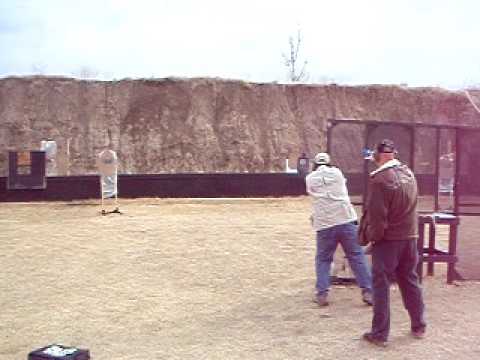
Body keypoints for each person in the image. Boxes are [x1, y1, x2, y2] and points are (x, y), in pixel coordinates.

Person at [359, 139, 426, 347]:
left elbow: (377, 218)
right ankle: (419, 324)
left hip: (389, 241)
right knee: (409, 279)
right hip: (410, 237)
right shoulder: (409, 174)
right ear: (393, 154)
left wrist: (372, 239)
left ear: (378, 157)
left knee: (381, 285)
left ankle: (380, 333)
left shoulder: (379, 180)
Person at [306, 152, 372, 307]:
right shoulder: (337, 173)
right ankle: (368, 291)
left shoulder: (310, 178)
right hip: (345, 219)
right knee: (356, 256)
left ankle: (322, 293)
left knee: (323, 259)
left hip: (324, 223)